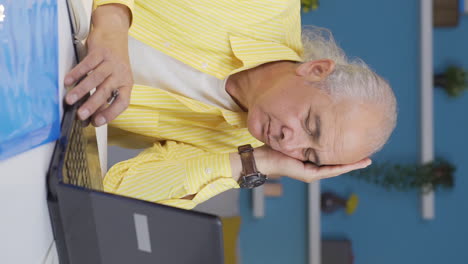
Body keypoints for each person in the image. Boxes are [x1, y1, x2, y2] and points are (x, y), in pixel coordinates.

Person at [64, 1, 397, 209]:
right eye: (311, 124)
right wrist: (111, 24)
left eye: (308, 155)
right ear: (316, 70)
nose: (289, 142)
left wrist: (257, 162)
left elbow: (115, 193)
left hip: (39, 96)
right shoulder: (266, 6)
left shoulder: (241, 149)